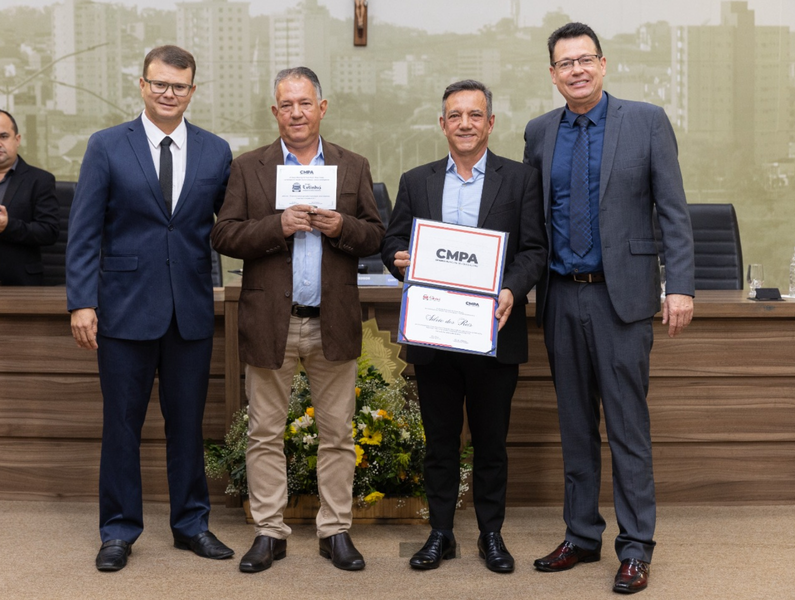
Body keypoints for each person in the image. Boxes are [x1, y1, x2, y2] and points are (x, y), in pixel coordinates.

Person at [523, 22, 695, 594]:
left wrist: (682, 286)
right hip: (560, 296)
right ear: (552, 74)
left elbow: (672, 208)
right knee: (575, 425)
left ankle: (637, 546)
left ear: (603, 64)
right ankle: (581, 534)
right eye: (564, 62)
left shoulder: (644, 121)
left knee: (627, 428)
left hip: (621, 297)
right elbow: (532, 221)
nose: (576, 69)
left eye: (585, 59)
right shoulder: (539, 132)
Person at [66, 45, 234, 572]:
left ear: (192, 91)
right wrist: (81, 302)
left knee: (187, 425)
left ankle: (191, 525)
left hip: (189, 311)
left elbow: (228, 228)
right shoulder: (107, 145)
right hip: (121, 312)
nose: (168, 93)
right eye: (159, 84)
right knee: (122, 424)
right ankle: (118, 531)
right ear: (142, 85)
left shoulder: (215, 151)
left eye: (178, 86)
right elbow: (84, 231)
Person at [211, 66, 384, 574]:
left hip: (331, 319)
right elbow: (223, 235)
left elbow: (376, 235)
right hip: (271, 321)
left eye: (305, 103)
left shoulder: (352, 167)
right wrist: (277, 225)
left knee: (338, 434)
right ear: (275, 112)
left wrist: (342, 226)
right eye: (286, 105)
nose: (296, 113)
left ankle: (336, 531)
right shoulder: (249, 167)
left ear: (322, 108)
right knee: (265, 432)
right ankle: (270, 531)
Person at [381, 80, 548, 573]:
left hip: (494, 333)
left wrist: (512, 289)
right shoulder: (417, 180)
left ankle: (491, 535)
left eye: (475, 115)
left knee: (492, 442)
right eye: (455, 116)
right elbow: (393, 241)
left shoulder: (520, 180)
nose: (465, 124)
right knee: (440, 442)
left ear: (491, 123)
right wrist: (399, 259)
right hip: (434, 335)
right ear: (442, 124)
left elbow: (535, 250)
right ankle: (441, 534)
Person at [0, 109, 59, 285]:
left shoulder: (40, 180)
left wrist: (8, 226)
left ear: (17, 140)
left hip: (20, 285)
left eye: (3, 136)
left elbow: (49, 232)